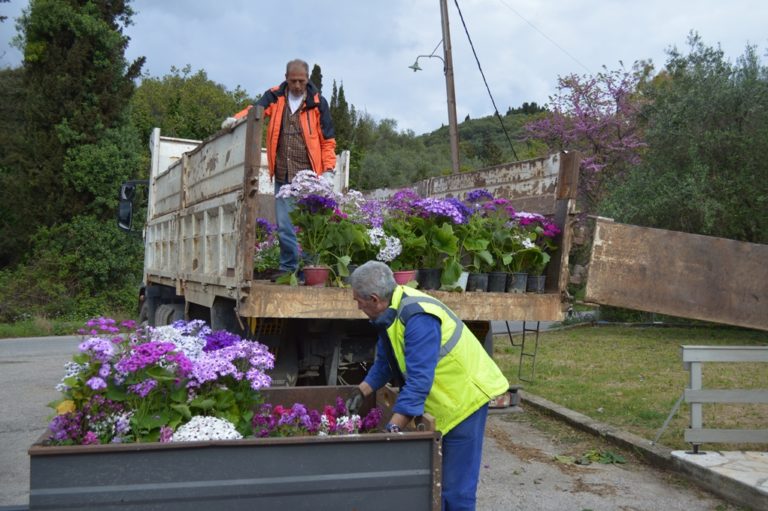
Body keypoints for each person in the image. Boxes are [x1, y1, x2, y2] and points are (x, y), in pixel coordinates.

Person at [346, 261, 509, 510]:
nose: (358, 306)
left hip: (465, 398)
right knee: (436, 485)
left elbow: (419, 382)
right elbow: (386, 363)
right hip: (447, 397)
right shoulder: (390, 313)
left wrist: (391, 430)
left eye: (359, 300)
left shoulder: (417, 316)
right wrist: (361, 391)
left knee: (456, 490)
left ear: (375, 299)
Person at [230, 59, 337, 278]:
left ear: (308, 79)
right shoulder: (275, 96)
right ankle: (289, 268)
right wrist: (236, 120)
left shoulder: (318, 103)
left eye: (301, 81)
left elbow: (328, 140)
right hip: (283, 174)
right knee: (285, 225)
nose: (297, 85)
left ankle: (310, 270)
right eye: (293, 80)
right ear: (286, 78)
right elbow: (255, 111)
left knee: (311, 226)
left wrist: (328, 170)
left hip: (309, 177)